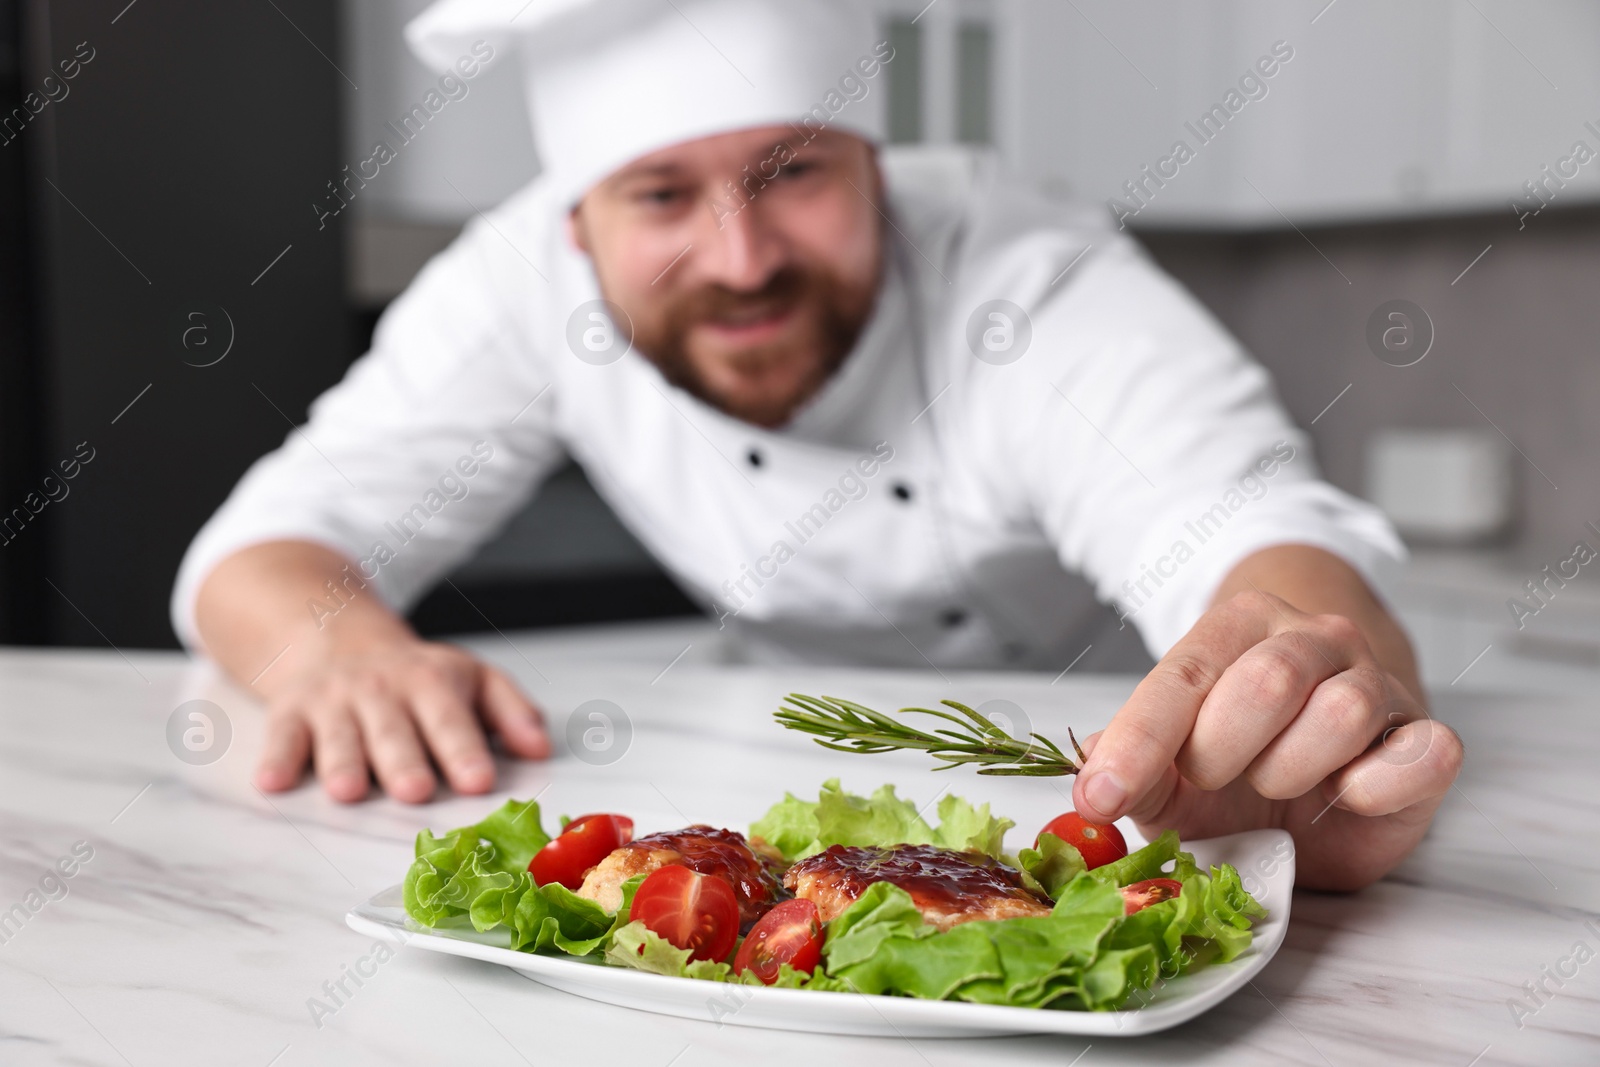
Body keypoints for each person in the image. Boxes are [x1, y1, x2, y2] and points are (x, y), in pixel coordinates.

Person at [173, 0, 1460, 890]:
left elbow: (1249, 530)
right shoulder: (515, 286)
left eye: (795, 171)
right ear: (576, 229)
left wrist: (1301, 698)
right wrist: (339, 646)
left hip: (1119, 795)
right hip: (770, 785)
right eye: (663, 195)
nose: (740, 260)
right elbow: (265, 545)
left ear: (878, 173)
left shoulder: (1027, 277)